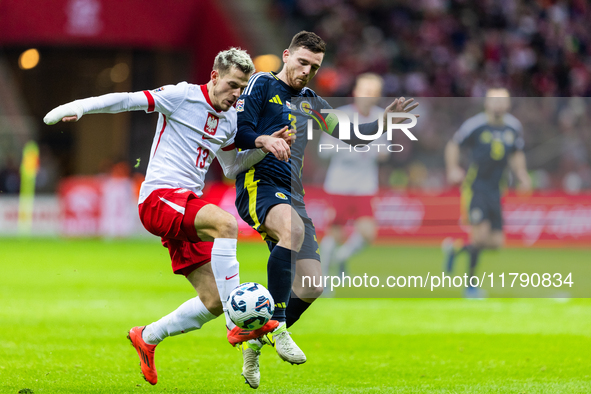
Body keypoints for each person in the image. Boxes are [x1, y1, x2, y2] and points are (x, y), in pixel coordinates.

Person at [43, 48, 293, 386]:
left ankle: (147, 336)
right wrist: (79, 107)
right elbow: (127, 100)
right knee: (226, 224)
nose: (236, 95)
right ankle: (238, 324)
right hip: (159, 199)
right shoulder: (182, 96)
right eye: (232, 85)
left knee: (214, 299)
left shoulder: (231, 119)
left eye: (241, 88)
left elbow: (232, 166)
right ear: (215, 76)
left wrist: (263, 146)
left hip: (185, 204)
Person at [233, 31, 419, 388]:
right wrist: (266, 140)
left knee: (313, 284)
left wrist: (384, 122)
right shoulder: (260, 83)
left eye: (314, 66)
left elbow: (350, 134)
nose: (306, 71)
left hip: (293, 194)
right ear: (286, 55)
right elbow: (239, 133)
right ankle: (279, 325)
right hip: (260, 184)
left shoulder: (310, 101)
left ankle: (253, 341)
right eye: (302, 62)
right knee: (292, 230)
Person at [443, 88, 531, 297]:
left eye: (503, 101)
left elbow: (517, 153)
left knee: (496, 243)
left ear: (508, 104)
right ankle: (470, 286)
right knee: (480, 235)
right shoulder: (475, 125)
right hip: (476, 187)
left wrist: (522, 174)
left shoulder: (513, 126)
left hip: (496, 190)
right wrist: (452, 168)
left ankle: (455, 249)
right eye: (495, 101)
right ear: (487, 103)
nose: (499, 105)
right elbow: (453, 145)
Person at [319, 73, 387, 282]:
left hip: (365, 185)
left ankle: (342, 257)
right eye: (365, 91)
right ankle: (323, 279)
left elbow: (385, 151)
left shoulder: (381, 116)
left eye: (373, 93)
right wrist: (351, 148)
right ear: (356, 92)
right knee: (335, 234)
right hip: (339, 184)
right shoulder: (339, 115)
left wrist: (370, 150)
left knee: (368, 233)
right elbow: (323, 150)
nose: (368, 96)